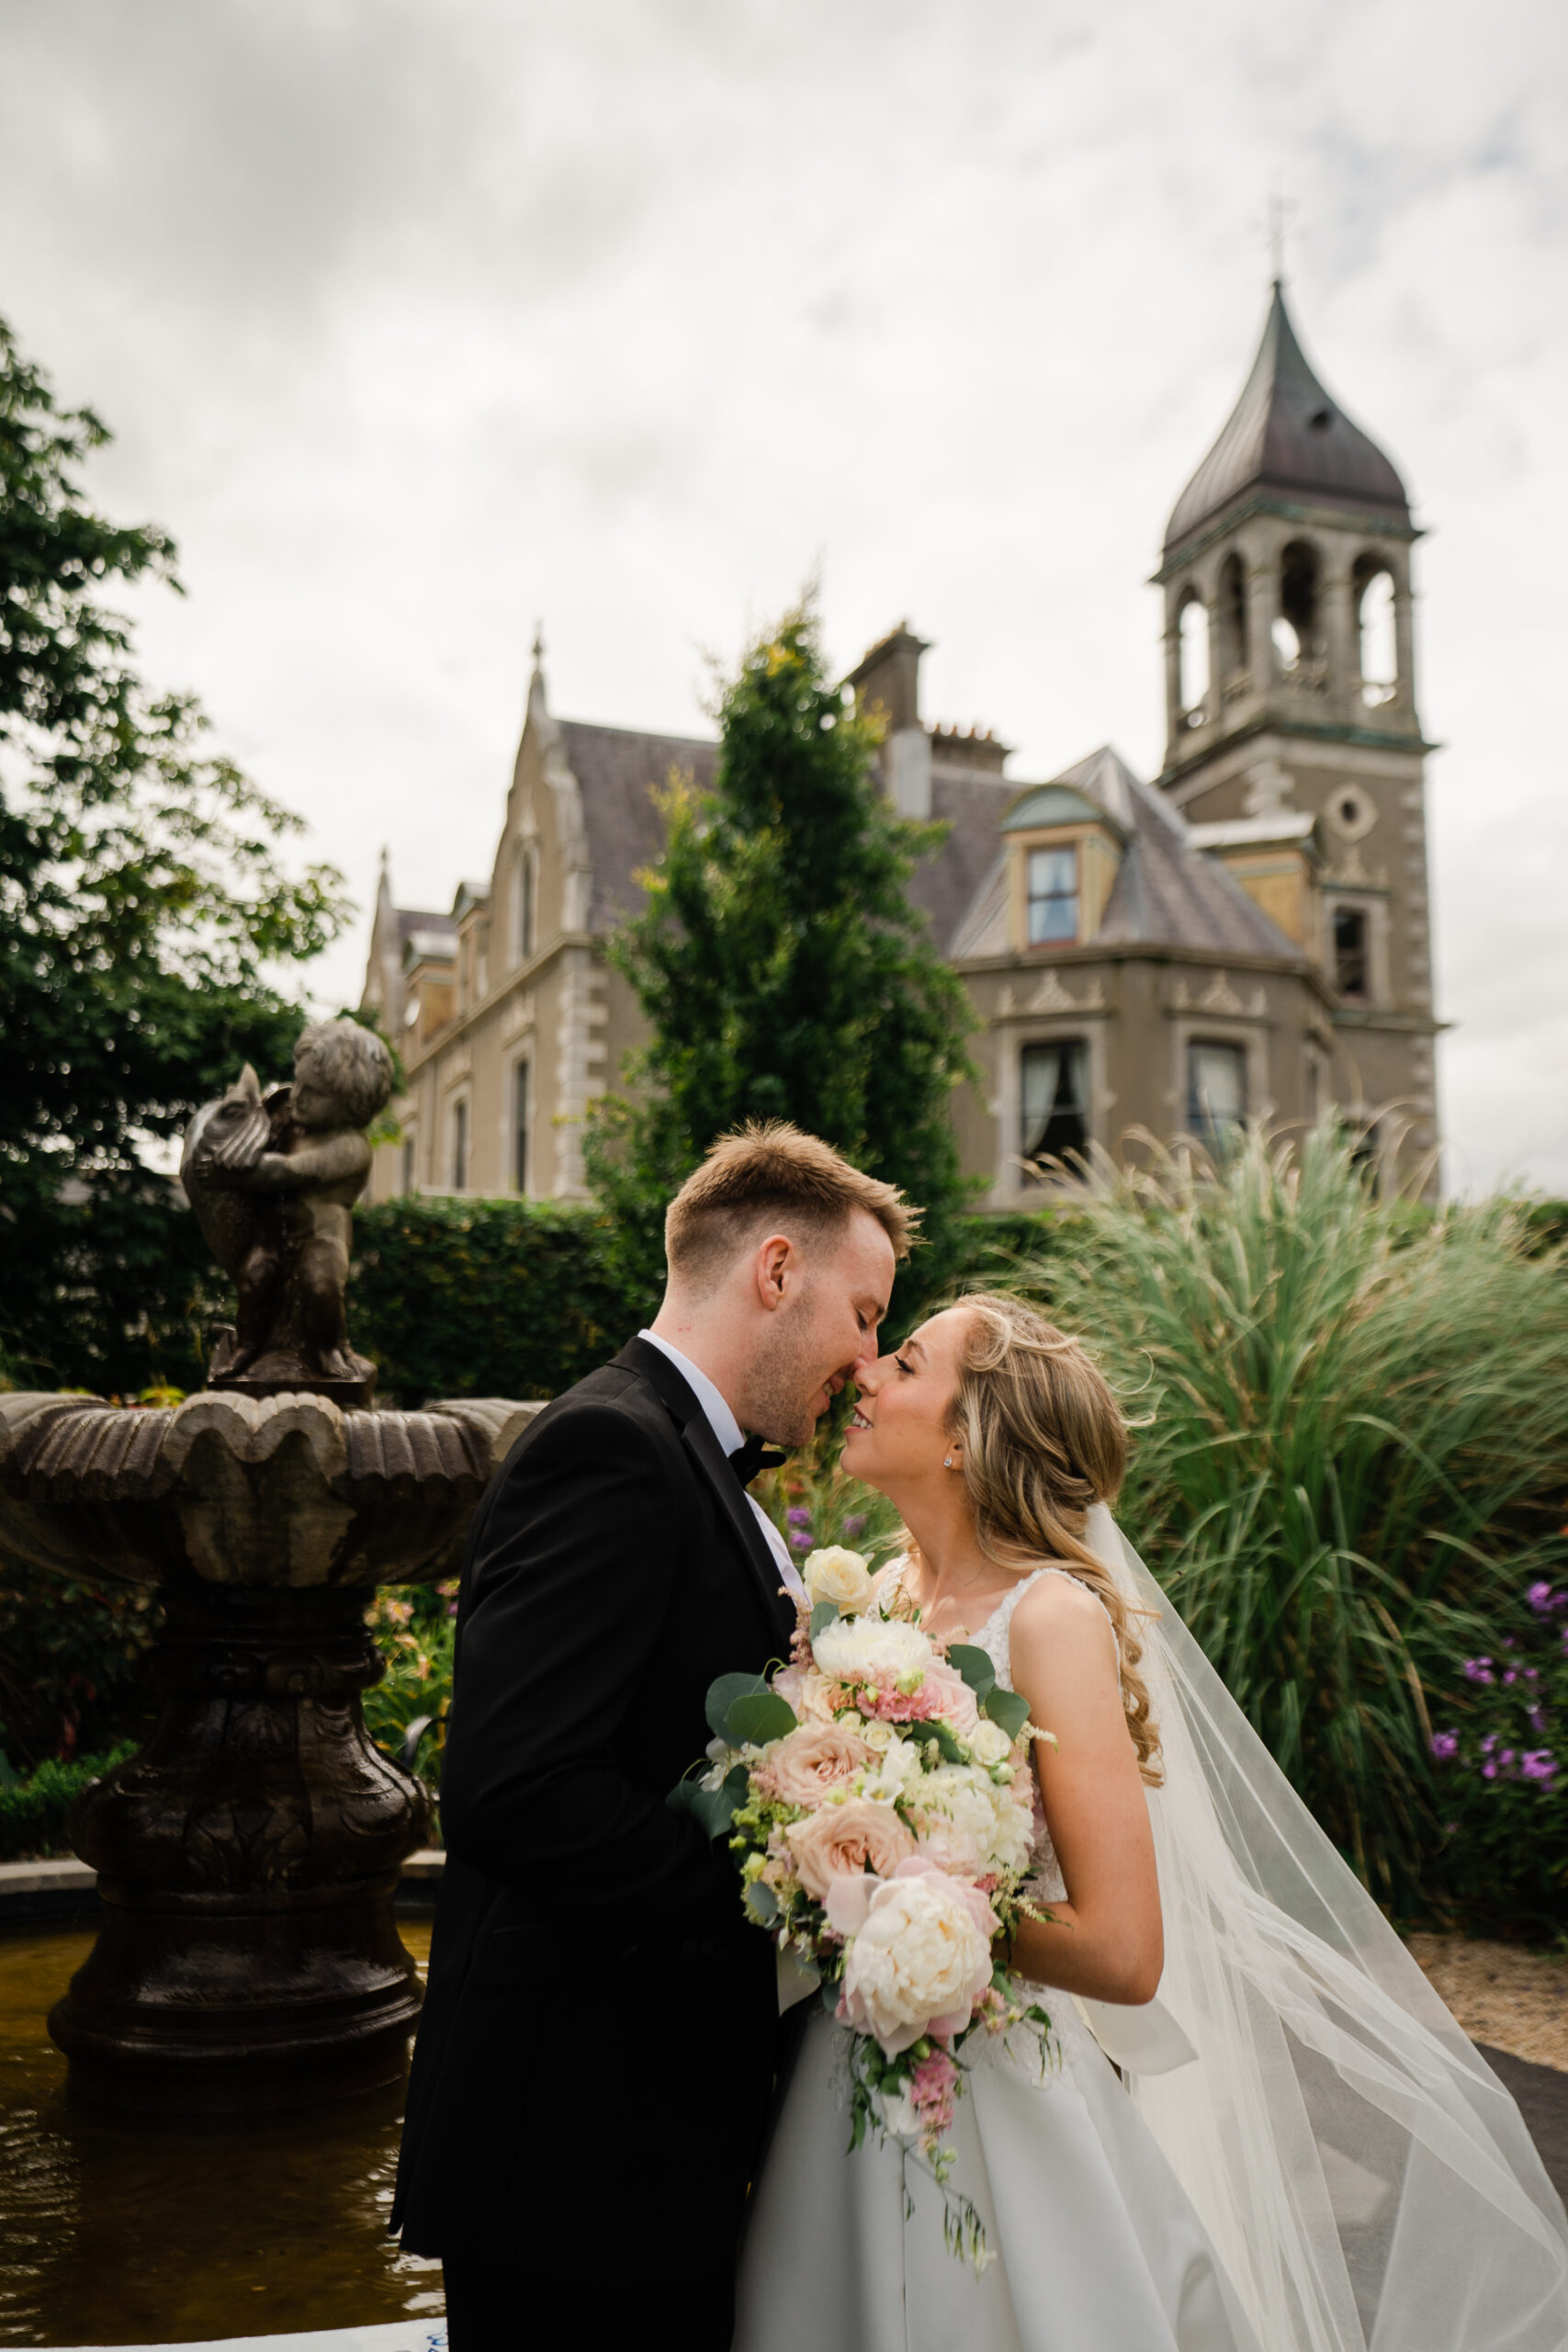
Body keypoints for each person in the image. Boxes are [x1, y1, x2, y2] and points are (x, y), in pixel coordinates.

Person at [737, 1293, 1568, 2352]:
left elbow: (1125, 1952)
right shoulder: (873, 1603)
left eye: (905, 1363)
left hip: (1001, 2104)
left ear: (966, 1434)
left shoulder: (1048, 1617)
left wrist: (906, 1914)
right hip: (833, 2080)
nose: (867, 1374)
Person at [392, 1122, 913, 2351]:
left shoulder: (682, 1458)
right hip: (570, 2156)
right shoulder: (609, 1448)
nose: (868, 1354)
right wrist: (776, 1914)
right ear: (774, 1272)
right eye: (861, 1311)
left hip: (634, 2146)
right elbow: (515, 1791)